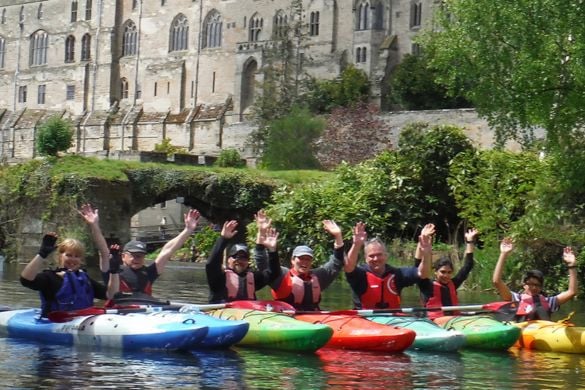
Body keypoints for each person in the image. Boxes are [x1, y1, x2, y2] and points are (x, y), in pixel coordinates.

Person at [99, 208, 201, 297]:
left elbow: (167, 251)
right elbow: (103, 252)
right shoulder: (113, 270)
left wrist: (188, 230)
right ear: (123, 256)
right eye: (134, 255)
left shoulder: (149, 273)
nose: (137, 259)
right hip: (118, 313)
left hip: (143, 313)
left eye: (140, 256)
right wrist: (94, 225)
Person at [20, 232, 120, 317]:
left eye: (77, 256)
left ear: (81, 260)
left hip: (82, 321)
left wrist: (114, 270)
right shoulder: (50, 278)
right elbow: (26, 280)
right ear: (60, 256)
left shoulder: (84, 279)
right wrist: (42, 254)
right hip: (54, 323)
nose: (73, 259)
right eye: (69, 255)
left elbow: (111, 295)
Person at [344, 222, 434, 310]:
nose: (375, 259)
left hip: (392, 318)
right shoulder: (359, 275)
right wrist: (356, 245)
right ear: (366, 258)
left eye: (379, 255)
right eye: (371, 256)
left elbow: (423, 274)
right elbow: (349, 266)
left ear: (386, 256)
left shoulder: (397, 274)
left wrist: (426, 254)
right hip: (365, 319)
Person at [266, 220, 345, 311]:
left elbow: (336, 263)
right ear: (292, 260)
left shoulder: (318, 276)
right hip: (287, 319)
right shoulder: (282, 276)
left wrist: (338, 236)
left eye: (308, 259)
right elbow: (266, 267)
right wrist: (271, 249)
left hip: (313, 319)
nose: (305, 262)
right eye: (301, 258)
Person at [492, 237, 578, 321]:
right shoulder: (516, 299)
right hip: (523, 332)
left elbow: (572, 292)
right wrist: (503, 254)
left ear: (541, 287)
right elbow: (497, 281)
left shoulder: (549, 302)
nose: (533, 287)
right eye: (530, 284)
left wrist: (572, 265)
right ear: (524, 285)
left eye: (537, 285)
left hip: (543, 332)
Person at [205, 212, 281, 303]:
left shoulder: (253, 278)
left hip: (247, 314)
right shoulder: (218, 278)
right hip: (222, 313)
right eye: (235, 257)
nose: (239, 261)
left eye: (244, 258)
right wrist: (223, 239)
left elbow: (274, 273)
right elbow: (211, 264)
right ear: (228, 260)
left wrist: (272, 251)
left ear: (248, 262)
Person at [418, 228, 478, 319]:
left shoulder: (453, 284)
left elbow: (468, 265)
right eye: (442, 272)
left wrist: (469, 241)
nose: (446, 275)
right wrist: (424, 242)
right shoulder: (426, 285)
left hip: (454, 320)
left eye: (449, 272)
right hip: (434, 321)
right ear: (435, 272)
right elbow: (417, 267)